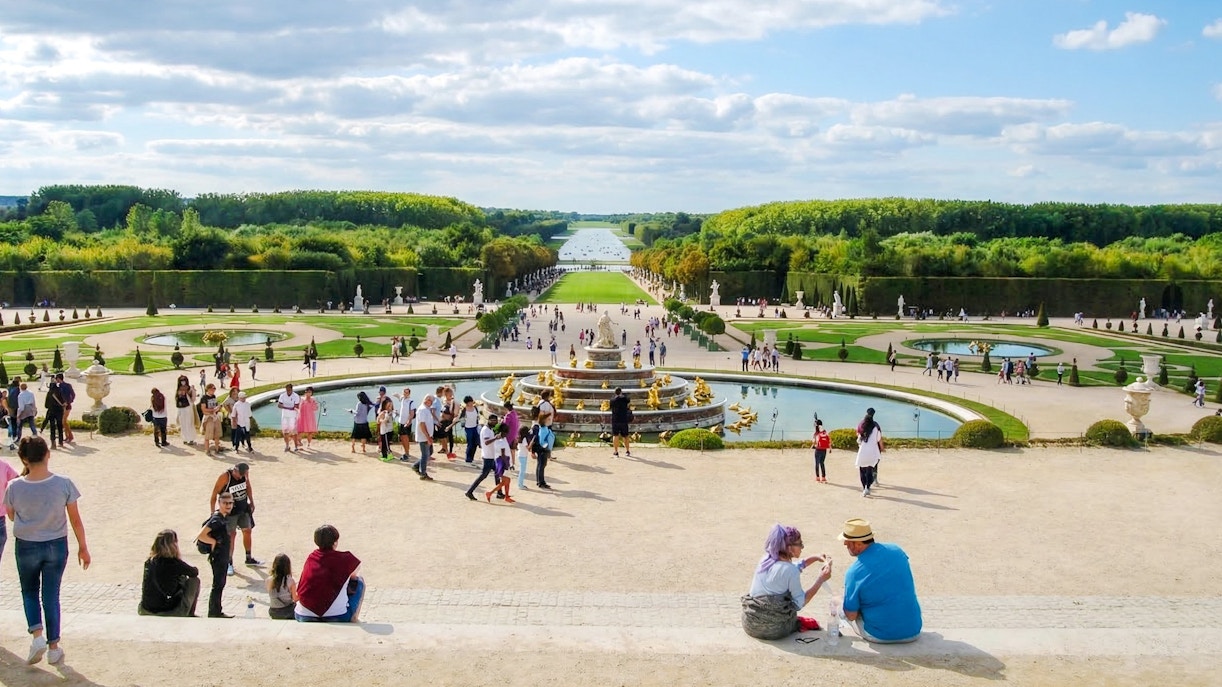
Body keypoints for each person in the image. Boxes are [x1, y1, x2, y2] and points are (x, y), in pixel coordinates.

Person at [4, 436, 91, 664]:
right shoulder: (63, 483)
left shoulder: (14, 486)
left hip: (26, 544)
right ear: (48, 455)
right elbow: (75, 520)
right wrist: (83, 547)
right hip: (56, 543)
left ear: (23, 459)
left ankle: (37, 636)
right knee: (51, 595)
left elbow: (12, 515)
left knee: (29, 591)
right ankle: (54, 647)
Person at [741, 524, 832, 640]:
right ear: (789, 548)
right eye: (799, 544)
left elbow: (787, 569)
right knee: (790, 602)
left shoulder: (765, 559)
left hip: (749, 625)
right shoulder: (790, 570)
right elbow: (800, 602)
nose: (802, 547)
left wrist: (814, 558)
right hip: (776, 630)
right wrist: (820, 580)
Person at [838, 518, 922, 643]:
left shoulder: (854, 572)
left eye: (847, 542)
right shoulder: (897, 550)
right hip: (914, 630)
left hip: (880, 635)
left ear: (858, 544)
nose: (845, 545)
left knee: (839, 603)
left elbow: (851, 615)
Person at [295, 524, 364, 623]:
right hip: (338, 615)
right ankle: (354, 618)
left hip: (304, 614)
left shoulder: (311, 558)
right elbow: (354, 575)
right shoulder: (346, 559)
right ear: (335, 542)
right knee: (359, 582)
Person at [210, 463, 260, 575]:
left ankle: (248, 557)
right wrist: (213, 513)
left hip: (243, 508)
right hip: (230, 512)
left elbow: (248, 486)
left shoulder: (244, 475)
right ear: (235, 470)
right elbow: (214, 494)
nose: (241, 477)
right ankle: (229, 563)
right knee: (231, 536)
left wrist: (251, 501)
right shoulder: (225, 477)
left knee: (247, 530)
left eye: (244, 475)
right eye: (240, 475)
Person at [138, 530, 200, 617]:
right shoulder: (175, 563)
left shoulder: (149, 562)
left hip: (146, 609)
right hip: (169, 610)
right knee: (194, 581)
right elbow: (194, 572)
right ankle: (190, 614)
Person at [195, 492, 233, 618]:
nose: (228, 505)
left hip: (222, 555)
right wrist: (213, 542)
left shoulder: (222, 517)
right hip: (218, 556)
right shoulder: (217, 519)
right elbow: (201, 535)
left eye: (230, 503)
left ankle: (216, 610)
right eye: (225, 503)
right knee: (218, 584)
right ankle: (214, 612)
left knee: (220, 583)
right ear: (219, 503)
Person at [856, 408, 883, 497]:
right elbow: (879, 439)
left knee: (862, 471)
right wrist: (882, 448)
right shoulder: (876, 427)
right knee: (870, 470)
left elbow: (858, 439)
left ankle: (864, 488)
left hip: (863, 452)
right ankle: (869, 486)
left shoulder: (861, 426)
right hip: (873, 452)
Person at [267, 553, 298, 620]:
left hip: (273, 611)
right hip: (287, 611)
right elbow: (295, 599)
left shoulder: (268, 580)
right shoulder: (290, 581)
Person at [413, 393, 436, 481]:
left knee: (429, 453)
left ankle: (416, 466)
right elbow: (422, 424)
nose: (429, 402)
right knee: (425, 455)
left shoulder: (427, 409)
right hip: (424, 437)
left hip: (427, 436)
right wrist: (427, 437)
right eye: (428, 399)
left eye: (431, 400)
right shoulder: (422, 410)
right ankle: (423, 473)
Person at [199, 383, 223, 455]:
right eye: (212, 389)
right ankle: (207, 450)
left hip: (215, 416)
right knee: (208, 434)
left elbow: (215, 406)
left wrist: (218, 408)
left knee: (217, 434)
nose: (213, 390)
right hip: (208, 417)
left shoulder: (214, 396)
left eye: (214, 389)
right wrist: (212, 410)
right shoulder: (204, 398)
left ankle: (217, 448)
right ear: (208, 389)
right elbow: (203, 409)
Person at [277, 383, 302, 452]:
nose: (288, 391)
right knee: (285, 432)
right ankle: (287, 446)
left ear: (291, 389)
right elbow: (279, 405)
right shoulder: (282, 395)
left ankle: (296, 446)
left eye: (289, 390)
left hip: (293, 416)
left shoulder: (296, 396)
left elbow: (296, 406)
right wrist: (287, 407)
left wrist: (291, 408)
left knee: (294, 432)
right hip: (285, 415)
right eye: (287, 390)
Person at [42, 380, 66, 449]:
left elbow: (46, 405)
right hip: (59, 411)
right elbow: (63, 401)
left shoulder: (49, 393)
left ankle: (53, 443)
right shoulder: (60, 392)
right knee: (60, 426)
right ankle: (61, 442)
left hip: (52, 411)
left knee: (52, 427)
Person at [609, 387, 632, 457]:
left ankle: (616, 452)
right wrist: (623, 395)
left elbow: (610, 406)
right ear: (621, 392)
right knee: (626, 436)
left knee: (615, 435)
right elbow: (628, 399)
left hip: (615, 420)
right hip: (624, 419)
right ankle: (627, 451)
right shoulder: (625, 399)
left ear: (615, 393)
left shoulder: (612, 400)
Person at [174, 375, 197, 445]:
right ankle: (185, 438)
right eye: (181, 381)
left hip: (188, 407)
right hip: (181, 408)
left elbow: (193, 398)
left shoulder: (189, 388)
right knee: (183, 423)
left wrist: (192, 391)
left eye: (184, 381)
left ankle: (190, 439)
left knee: (189, 423)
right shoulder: (178, 389)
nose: (183, 382)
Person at [460, 395, 483, 463]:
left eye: (471, 401)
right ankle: (468, 458)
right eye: (469, 402)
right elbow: (461, 418)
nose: (471, 403)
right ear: (466, 403)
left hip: (475, 427)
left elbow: (478, 417)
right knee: (470, 444)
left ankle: (472, 457)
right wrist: (463, 425)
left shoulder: (475, 408)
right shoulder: (464, 410)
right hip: (468, 428)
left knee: (475, 443)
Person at [395, 387, 416, 461]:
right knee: (402, 437)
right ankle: (405, 452)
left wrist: (409, 421)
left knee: (405, 438)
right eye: (404, 392)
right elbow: (398, 396)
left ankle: (407, 453)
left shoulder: (411, 402)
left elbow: (412, 413)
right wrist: (395, 394)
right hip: (401, 421)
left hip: (406, 423)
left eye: (407, 392)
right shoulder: (402, 399)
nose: (405, 394)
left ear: (409, 393)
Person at [54, 373, 75, 444]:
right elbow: (73, 395)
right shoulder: (66, 385)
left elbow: (72, 395)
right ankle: (67, 436)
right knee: (64, 421)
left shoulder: (62, 386)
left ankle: (70, 436)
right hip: (64, 405)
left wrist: (67, 402)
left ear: (58, 379)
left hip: (66, 406)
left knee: (64, 421)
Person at [377, 397, 397, 462]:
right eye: (388, 406)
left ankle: (384, 455)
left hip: (389, 430)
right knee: (385, 444)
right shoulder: (383, 413)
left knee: (387, 443)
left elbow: (395, 415)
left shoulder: (391, 412)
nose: (390, 407)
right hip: (384, 431)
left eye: (391, 406)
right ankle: (387, 454)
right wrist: (383, 420)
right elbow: (378, 420)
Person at [812, 419, 831, 483]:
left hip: (818, 450)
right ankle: (823, 477)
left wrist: (813, 445)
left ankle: (817, 478)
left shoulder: (816, 433)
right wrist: (830, 448)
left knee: (817, 464)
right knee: (822, 463)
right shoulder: (824, 431)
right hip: (824, 450)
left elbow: (814, 442)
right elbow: (828, 439)